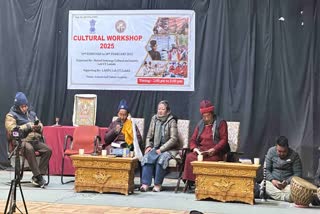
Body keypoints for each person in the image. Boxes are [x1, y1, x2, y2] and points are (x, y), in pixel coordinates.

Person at [5, 92, 52, 187]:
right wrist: (28, 127)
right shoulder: (11, 116)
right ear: (17, 106)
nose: (25, 108)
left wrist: (39, 127)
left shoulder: (32, 114)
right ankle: (38, 177)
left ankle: (38, 176)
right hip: (20, 142)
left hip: (34, 140)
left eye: (26, 106)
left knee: (48, 150)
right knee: (29, 148)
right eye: (22, 106)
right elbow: (12, 130)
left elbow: (41, 124)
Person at [183, 100, 229, 183]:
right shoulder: (200, 124)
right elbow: (193, 139)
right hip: (202, 151)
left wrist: (214, 149)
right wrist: (195, 149)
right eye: (204, 116)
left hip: (215, 152)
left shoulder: (221, 123)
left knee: (211, 161)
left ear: (212, 113)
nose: (206, 118)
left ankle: (208, 183)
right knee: (190, 157)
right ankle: (194, 182)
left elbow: (224, 140)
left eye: (208, 116)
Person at [140, 100, 178, 192]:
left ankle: (157, 184)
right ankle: (145, 184)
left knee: (162, 159)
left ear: (168, 111)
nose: (160, 111)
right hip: (156, 147)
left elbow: (174, 139)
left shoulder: (171, 121)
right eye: (159, 109)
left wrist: (161, 149)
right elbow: (149, 136)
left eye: (163, 109)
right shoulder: (154, 119)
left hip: (169, 149)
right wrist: (148, 146)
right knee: (147, 157)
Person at [264, 136, 302, 202]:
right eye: (279, 151)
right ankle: (286, 198)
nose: (281, 153)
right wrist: (272, 180)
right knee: (264, 184)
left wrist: (287, 181)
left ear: (288, 147)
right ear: (276, 147)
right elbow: (266, 169)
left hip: (288, 185)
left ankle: (276, 196)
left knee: (297, 189)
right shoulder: (271, 151)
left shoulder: (294, 155)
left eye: (284, 151)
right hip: (273, 183)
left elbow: (298, 173)